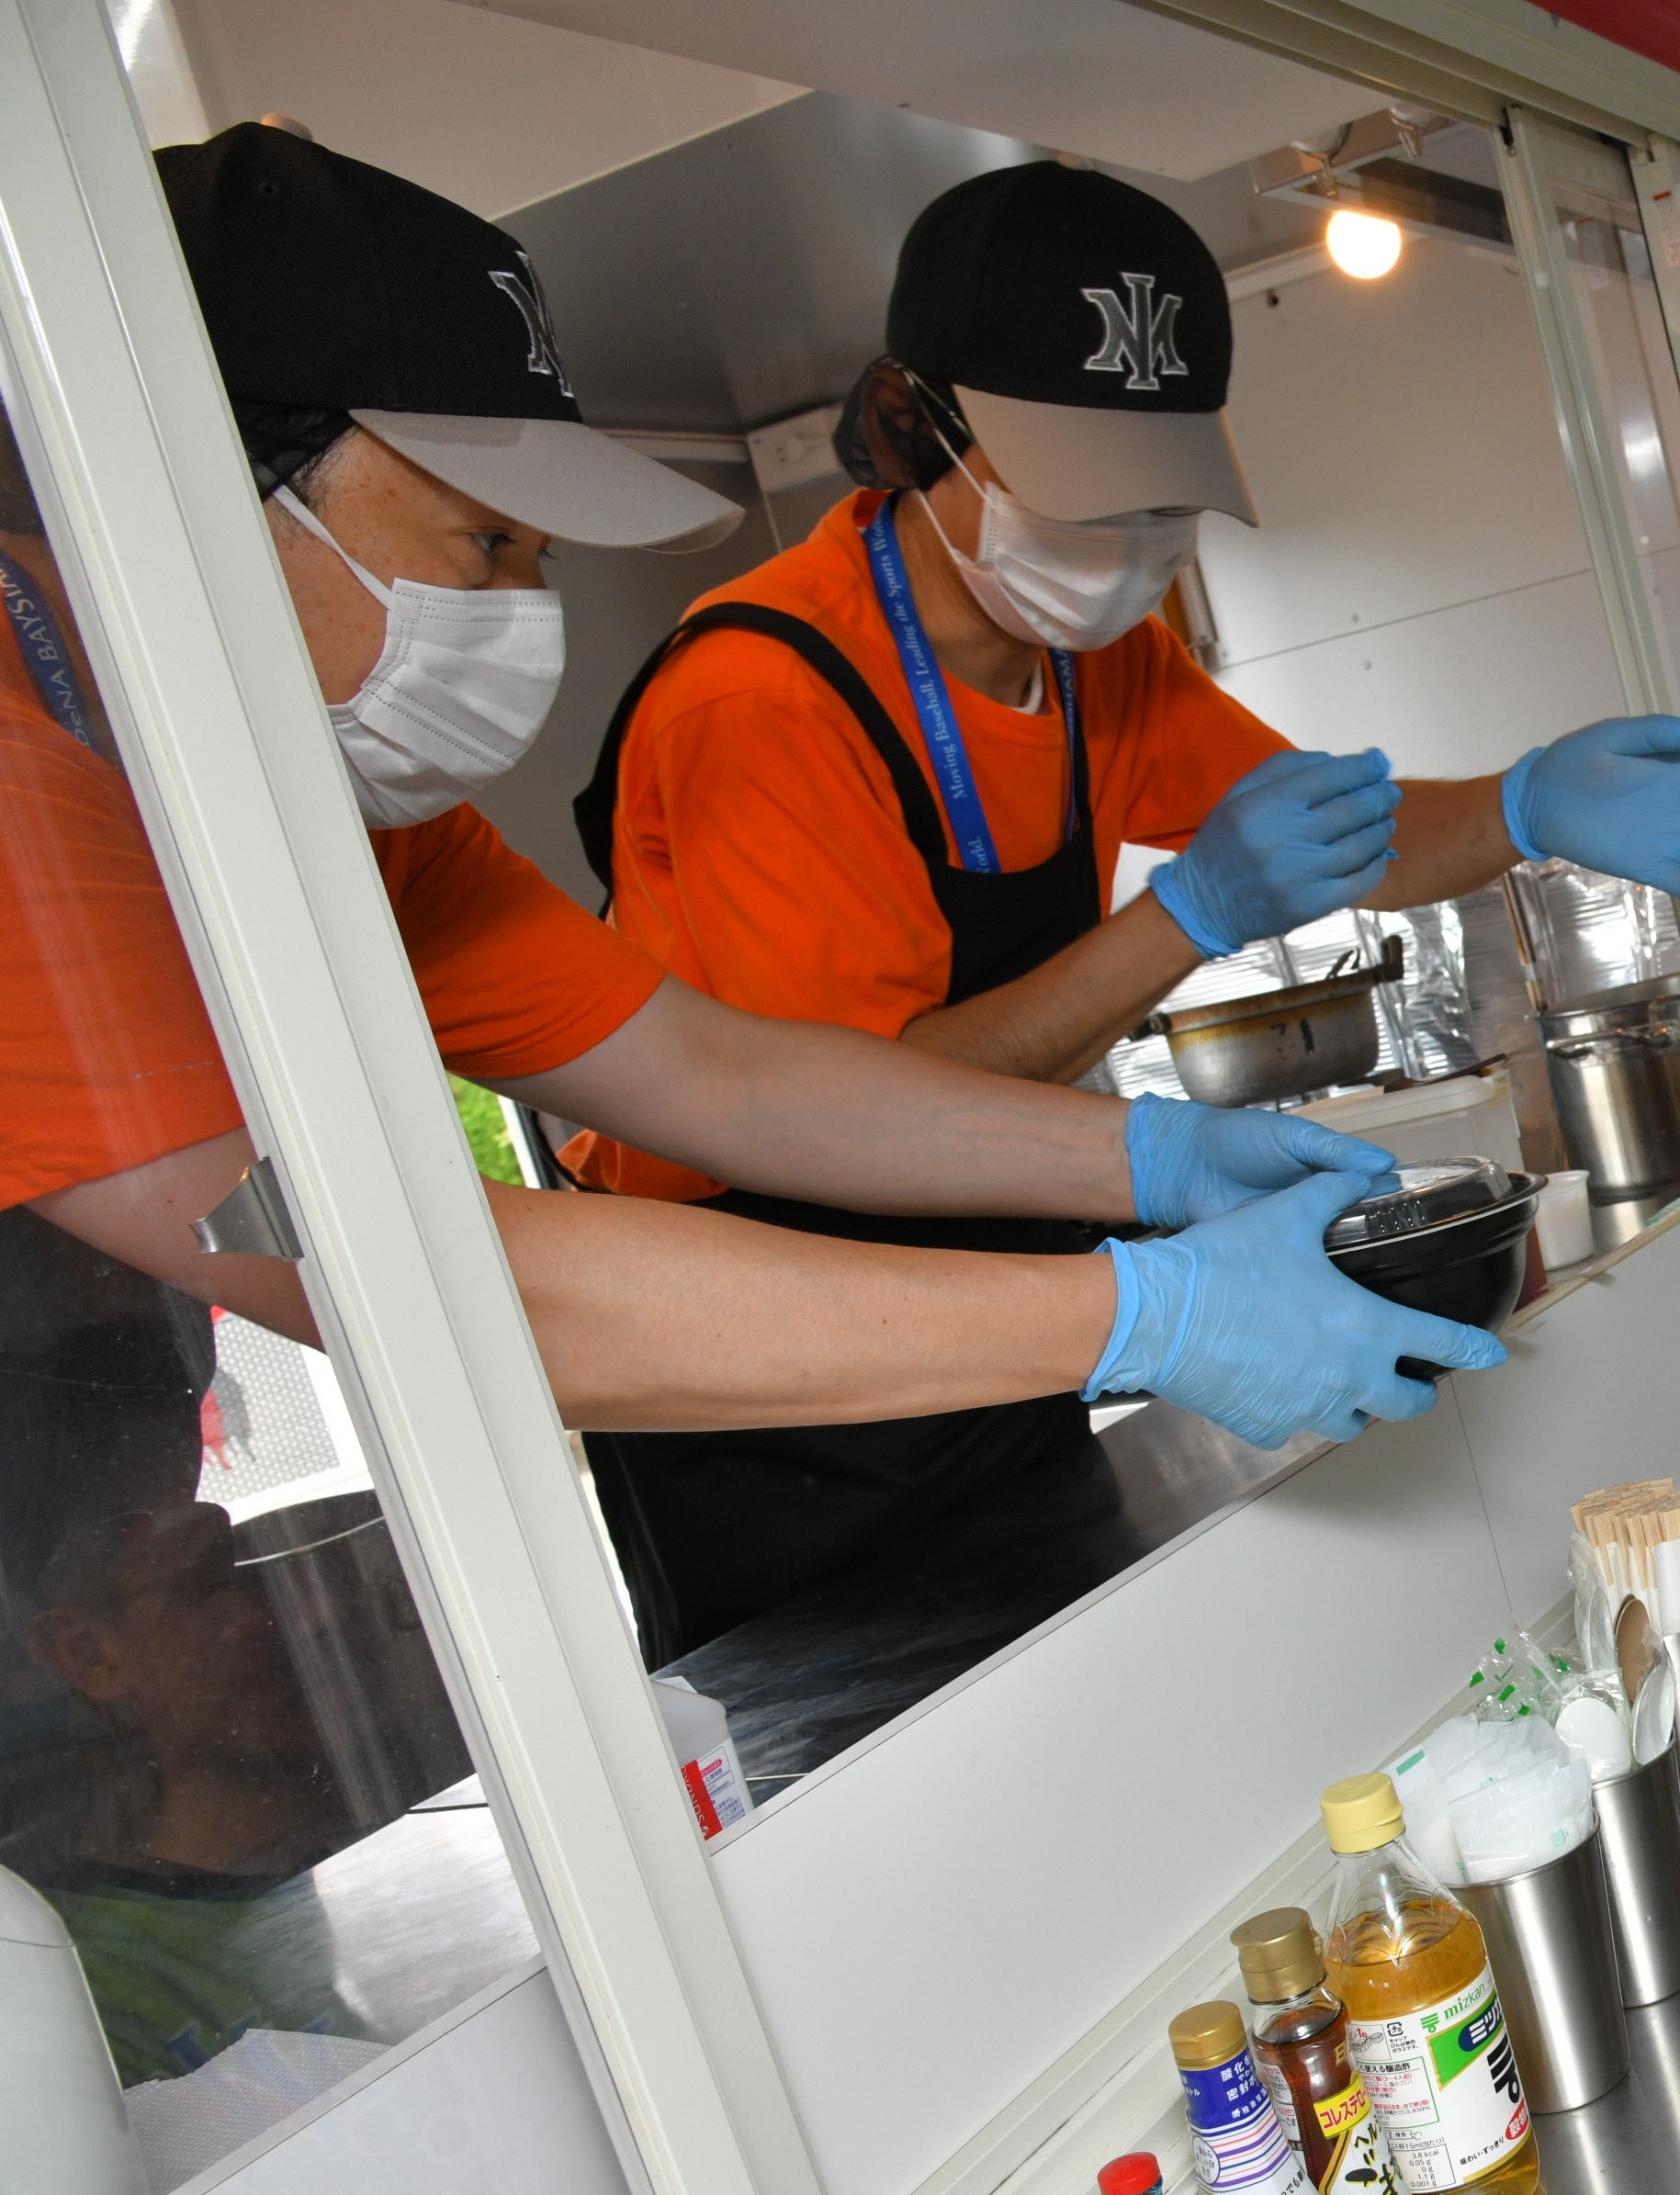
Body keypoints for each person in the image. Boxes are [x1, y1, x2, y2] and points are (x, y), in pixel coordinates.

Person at [6, 123, 1497, 1458]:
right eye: (486, 545)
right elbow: (407, 1273)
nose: (531, 609)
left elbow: (721, 1075)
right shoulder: (23, 795)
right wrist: (1144, 1315)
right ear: (193, 488)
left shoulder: (346, 816)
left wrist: (1152, 1156)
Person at [566, 156, 1680, 1643]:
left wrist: (1526, 803)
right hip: (768, 1392)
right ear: (913, 425)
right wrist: (1187, 921)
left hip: (1005, 1313)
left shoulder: (1099, 657)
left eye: (1162, 499)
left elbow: (1342, 834)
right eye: (1087, 489)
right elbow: (848, 1119)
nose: (1135, 544)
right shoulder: (760, 702)